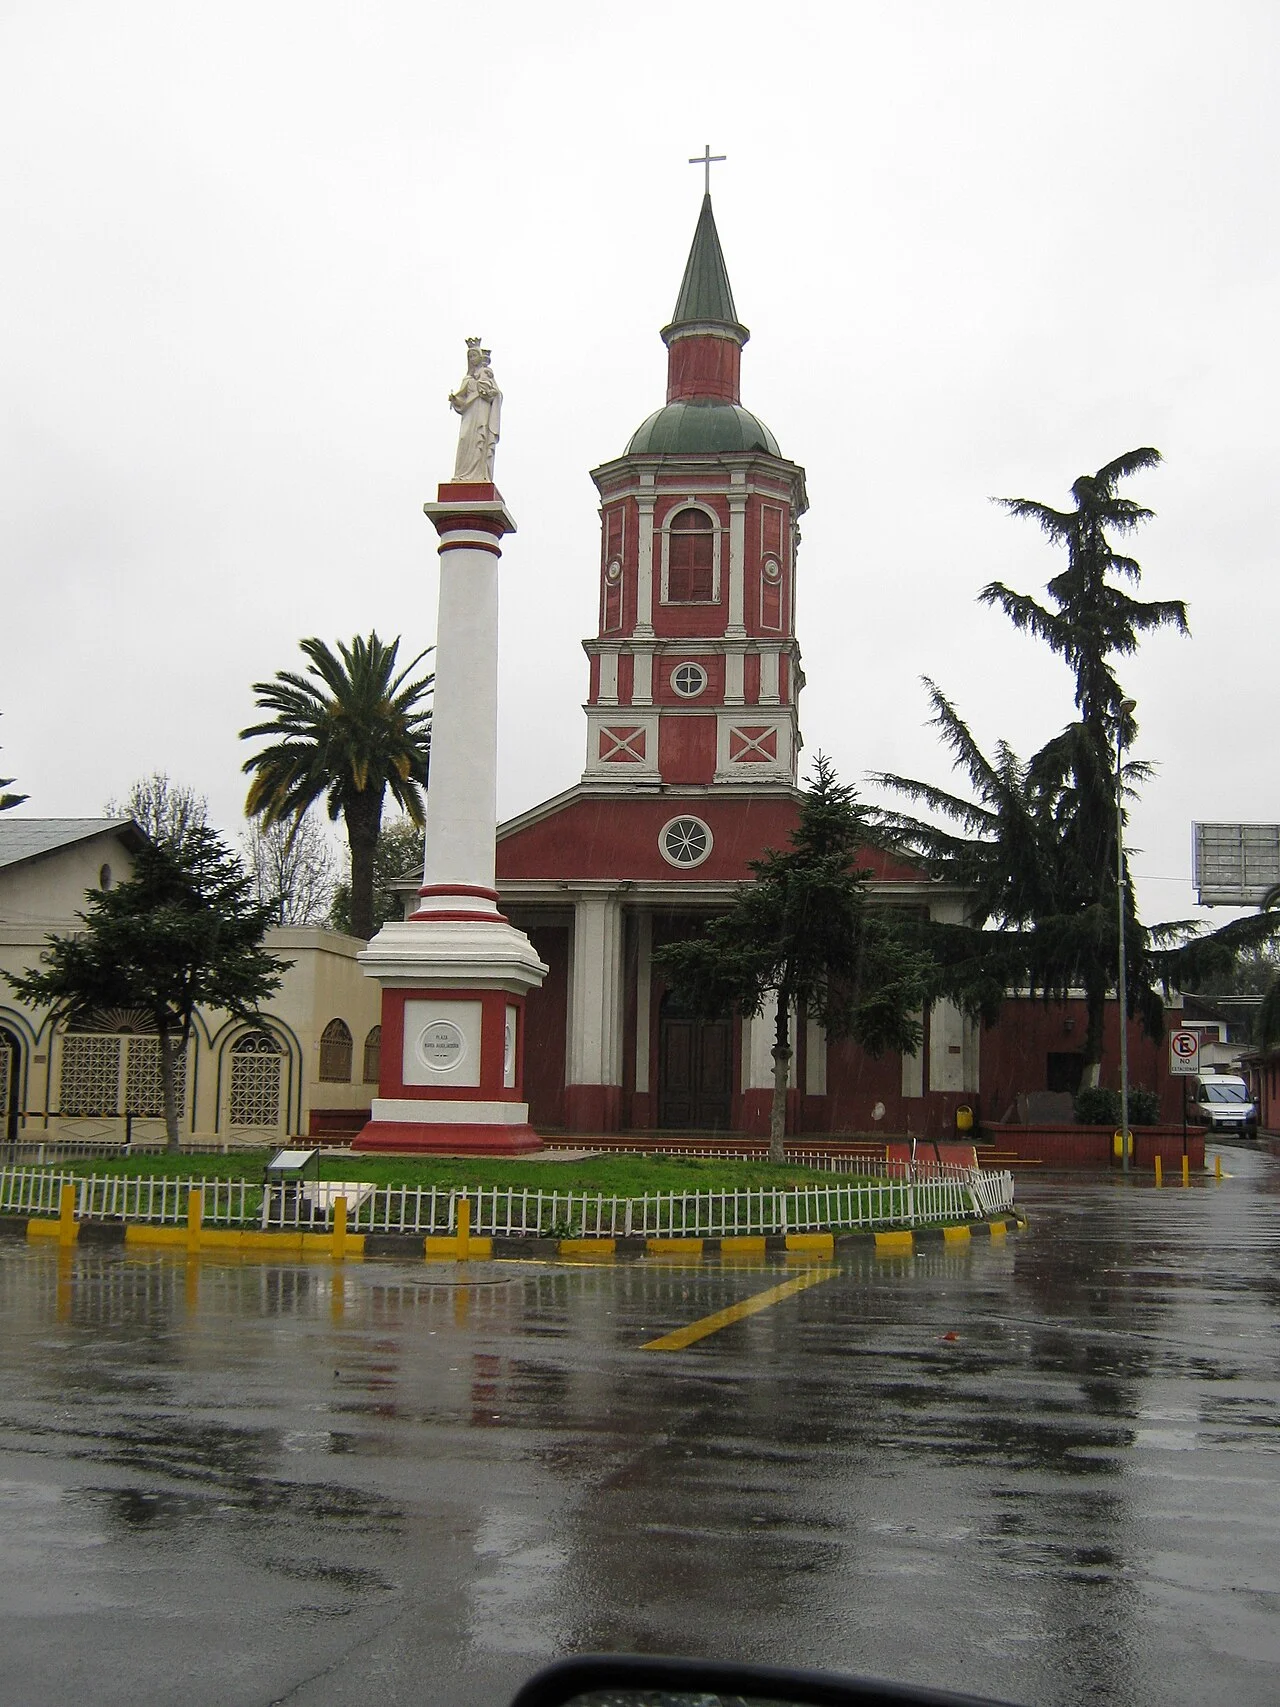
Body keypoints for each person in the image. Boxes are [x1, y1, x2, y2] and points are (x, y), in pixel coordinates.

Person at [448, 338, 502, 481]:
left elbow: (495, 394)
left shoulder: (487, 376)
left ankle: (479, 474)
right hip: (469, 414)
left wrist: (485, 389)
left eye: (474, 355)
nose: (472, 359)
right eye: (470, 356)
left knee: (480, 439)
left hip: (482, 413)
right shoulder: (468, 378)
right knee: (464, 438)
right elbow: (462, 399)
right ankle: (462, 474)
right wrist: (455, 400)